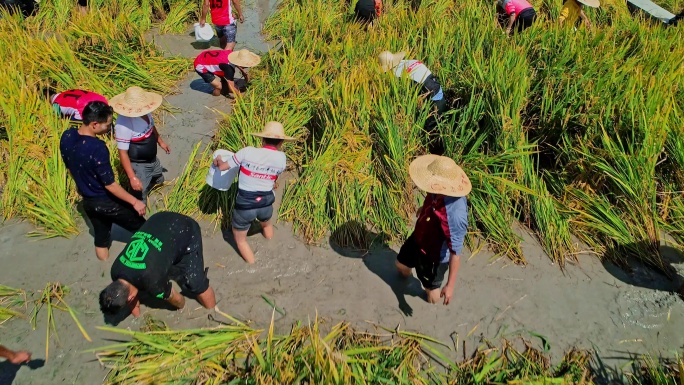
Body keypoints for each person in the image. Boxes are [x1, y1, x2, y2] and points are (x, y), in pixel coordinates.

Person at [60, 101, 146, 261]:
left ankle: (103, 264)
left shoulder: (67, 136)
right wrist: (135, 202)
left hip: (88, 203)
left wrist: (81, 186)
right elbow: (110, 185)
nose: (109, 128)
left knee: (101, 238)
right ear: (94, 124)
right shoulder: (97, 148)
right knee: (146, 230)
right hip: (107, 203)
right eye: (107, 125)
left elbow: (70, 168)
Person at [99, 212, 217, 317]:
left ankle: (213, 312)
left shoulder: (152, 283)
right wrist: (137, 317)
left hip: (185, 227)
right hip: (158, 218)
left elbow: (179, 301)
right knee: (164, 262)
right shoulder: (115, 270)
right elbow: (131, 297)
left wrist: (183, 311)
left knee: (195, 283)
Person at [213, 121, 294, 264]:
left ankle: (252, 265)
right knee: (267, 225)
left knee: (241, 240)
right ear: (281, 142)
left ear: (262, 139)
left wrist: (217, 160)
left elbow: (222, 168)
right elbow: (274, 178)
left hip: (245, 206)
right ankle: (271, 244)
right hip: (266, 204)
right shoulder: (282, 158)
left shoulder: (247, 151)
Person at [396, 155, 470, 305]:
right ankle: (413, 272)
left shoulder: (455, 215)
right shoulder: (435, 189)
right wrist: (424, 208)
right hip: (419, 237)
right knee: (401, 266)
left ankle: (431, 291)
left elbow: (456, 253)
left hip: (434, 257)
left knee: (432, 294)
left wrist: (450, 286)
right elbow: (432, 197)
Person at [379, 50, 447, 154]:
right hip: (440, 93)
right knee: (440, 126)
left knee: (429, 131)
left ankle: (436, 158)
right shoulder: (412, 61)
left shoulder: (396, 75)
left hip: (433, 102)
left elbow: (403, 97)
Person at [110, 86, 170, 204]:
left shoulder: (146, 112)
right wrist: (132, 177)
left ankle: (151, 185)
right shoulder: (124, 125)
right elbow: (122, 153)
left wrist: (160, 141)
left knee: (159, 179)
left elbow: (151, 127)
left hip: (153, 159)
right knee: (140, 193)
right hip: (139, 164)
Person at [194, 49, 261, 97]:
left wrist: (243, 71)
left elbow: (234, 62)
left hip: (206, 57)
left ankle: (222, 81)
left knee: (225, 78)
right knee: (219, 86)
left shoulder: (231, 54)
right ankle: (214, 95)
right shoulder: (229, 69)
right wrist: (240, 96)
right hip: (200, 65)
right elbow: (231, 87)